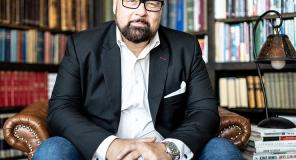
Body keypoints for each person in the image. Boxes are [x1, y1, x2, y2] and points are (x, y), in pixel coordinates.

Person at [34, 0, 242, 159]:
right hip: (101, 150)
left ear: (160, 9)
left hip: (163, 150)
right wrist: (110, 145)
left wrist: (169, 149)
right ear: (115, 4)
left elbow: (204, 110)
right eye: (132, 0)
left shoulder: (185, 47)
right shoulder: (82, 45)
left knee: (222, 150)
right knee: (52, 150)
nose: (141, 11)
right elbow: (61, 109)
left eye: (151, 3)